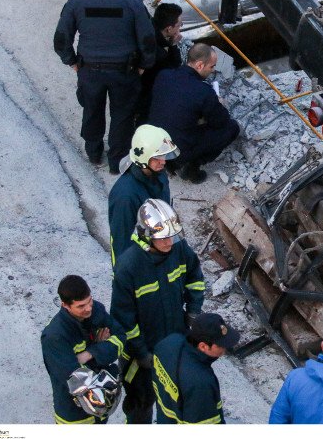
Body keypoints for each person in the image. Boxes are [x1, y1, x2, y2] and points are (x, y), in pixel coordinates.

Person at [54, 0, 156, 174]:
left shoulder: (77, 0)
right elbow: (148, 40)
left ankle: (93, 152)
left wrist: (72, 61)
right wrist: (144, 65)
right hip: (124, 72)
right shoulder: (132, 1)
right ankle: (117, 162)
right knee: (122, 116)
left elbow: (61, 39)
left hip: (89, 70)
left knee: (92, 109)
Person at [111, 199, 205, 423]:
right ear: (146, 235)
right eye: (163, 237)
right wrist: (141, 353)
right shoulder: (129, 266)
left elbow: (195, 278)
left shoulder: (179, 249)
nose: (169, 242)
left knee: (175, 400)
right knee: (141, 404)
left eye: (171, 236)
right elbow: (124, 319)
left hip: (175, 342)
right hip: (143, 354)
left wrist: (193, 311)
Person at [149, 43, 240, 183]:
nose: (213, 71)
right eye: (212, 66)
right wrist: (218, 104)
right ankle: (190, 166)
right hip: (179, 148)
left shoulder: (164, 75)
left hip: (155, 141)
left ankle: (169, 162)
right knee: (232, 128)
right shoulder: (203, 91)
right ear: (199, 65)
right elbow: (221, 121)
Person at [41, 275, 126, 424]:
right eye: (81, 306)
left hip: (100, 407)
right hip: (75, 416)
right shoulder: (55, 336)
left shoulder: (97, 311)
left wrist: (90, 353)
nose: (88, 309)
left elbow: (120, 337)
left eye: (89, 301)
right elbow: (76, 380)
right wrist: (103, 350)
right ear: (65, 305)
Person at [108, 124, 179, 267]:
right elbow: (122, 243)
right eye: (157, 157)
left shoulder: (159, 175)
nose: (163, 161)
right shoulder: (125, 196)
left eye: (163, 155)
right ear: (143, 157)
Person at [152, 313, 241, 424]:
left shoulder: (168, 342)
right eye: (220, 345)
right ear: (203, 346)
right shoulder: (200, 383)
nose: (225, 349)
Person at [135, 3, 184, 126]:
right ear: (169, 29)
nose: (180, 28)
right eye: (179, 25)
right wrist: (173, 45)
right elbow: (174, 68)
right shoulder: (159, 54)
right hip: (144, 95)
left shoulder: (147, 28)